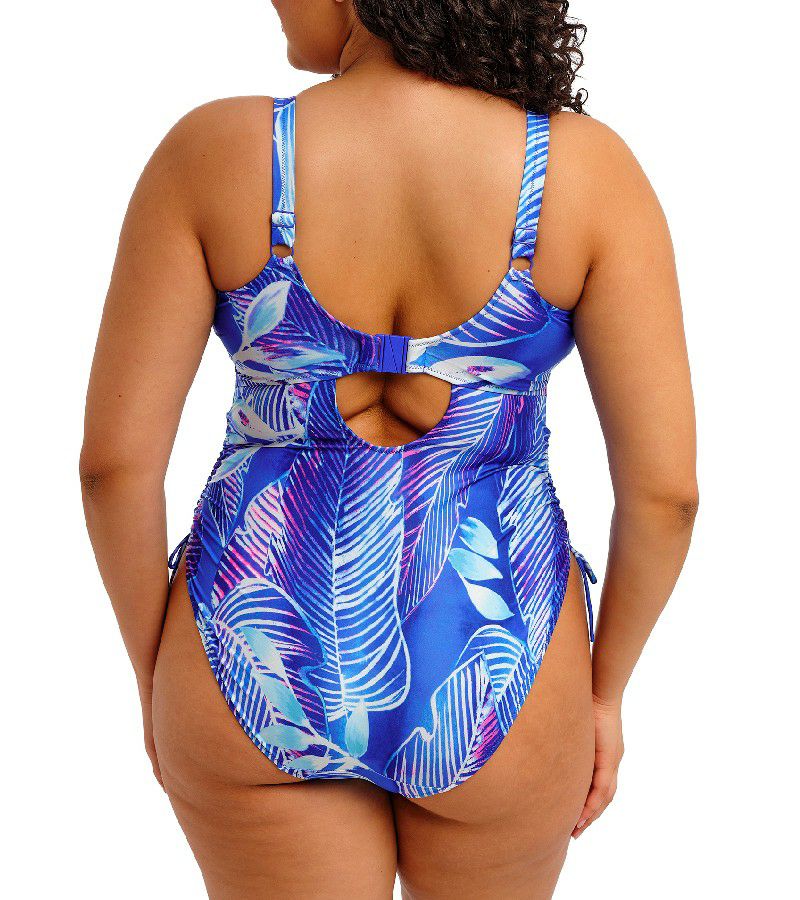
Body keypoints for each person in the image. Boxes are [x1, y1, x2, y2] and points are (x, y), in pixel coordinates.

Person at [80, 2, 698, 896]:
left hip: (254, 634)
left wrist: (160, 675)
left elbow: (113, 468)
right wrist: (602, 695)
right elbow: (667, 494)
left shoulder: (215, 153)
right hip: (499, 646)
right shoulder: (585, 170)